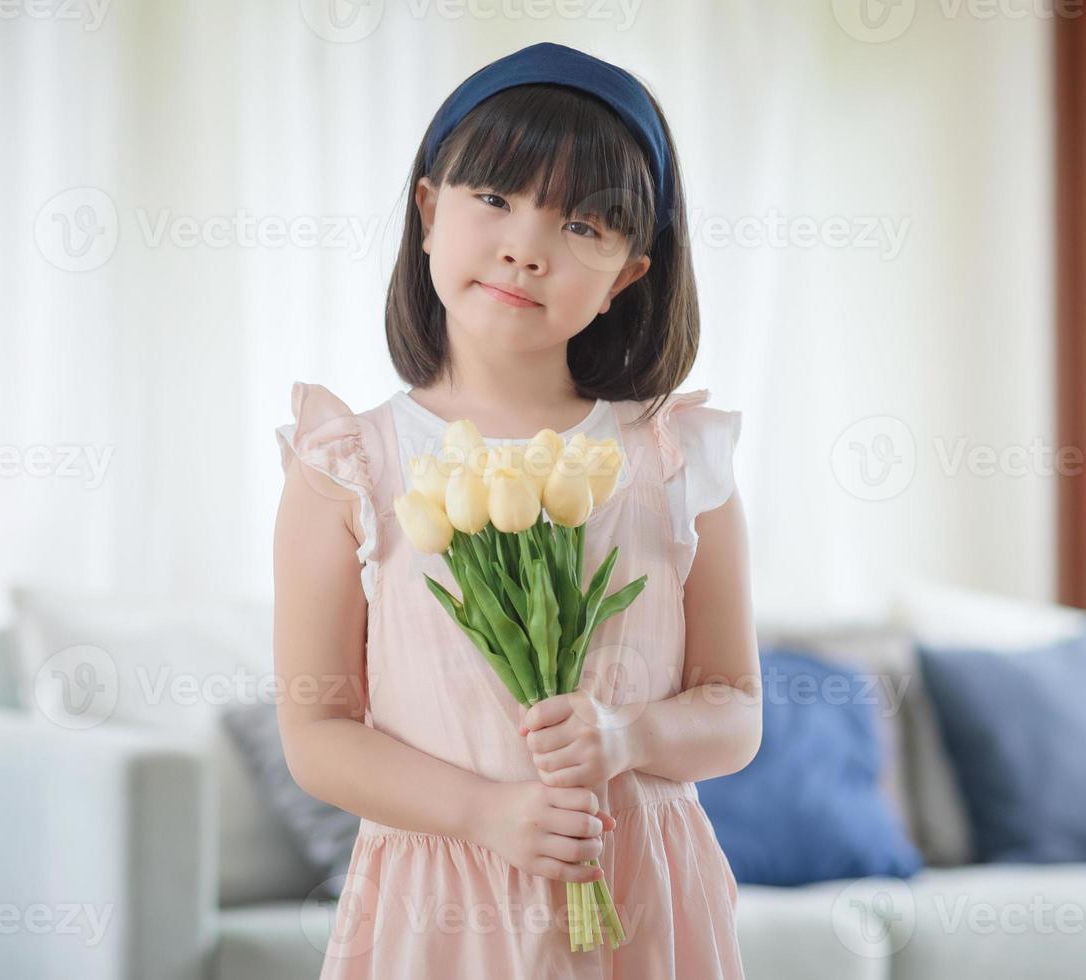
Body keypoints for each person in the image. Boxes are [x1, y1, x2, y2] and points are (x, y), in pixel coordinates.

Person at [272, 41, 760, 978]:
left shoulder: (675, 457)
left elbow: (736, 709)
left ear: (627, 274)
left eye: (583, 225)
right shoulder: (348, 466)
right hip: (442, 911)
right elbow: (318, 733)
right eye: (493, 199)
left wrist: (630, 737)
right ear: (426, 213)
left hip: (639, 901)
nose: (525, 248)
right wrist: (486, 813)